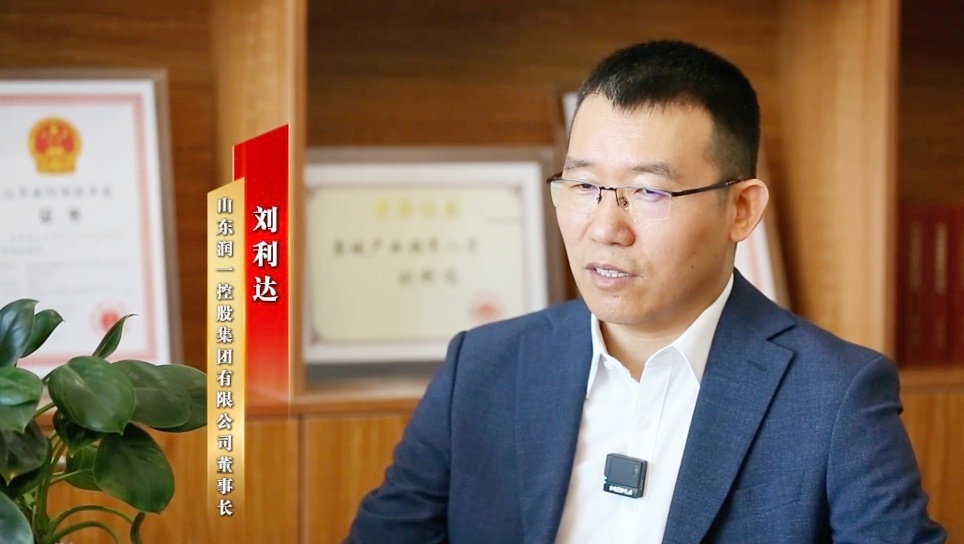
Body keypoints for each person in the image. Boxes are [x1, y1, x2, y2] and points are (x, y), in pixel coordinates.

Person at [345, 40, 946, 543]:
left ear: (741, 209)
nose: (605, 228)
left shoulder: (834, 396)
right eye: (583, 185)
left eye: (649, 192)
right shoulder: (482, 368)